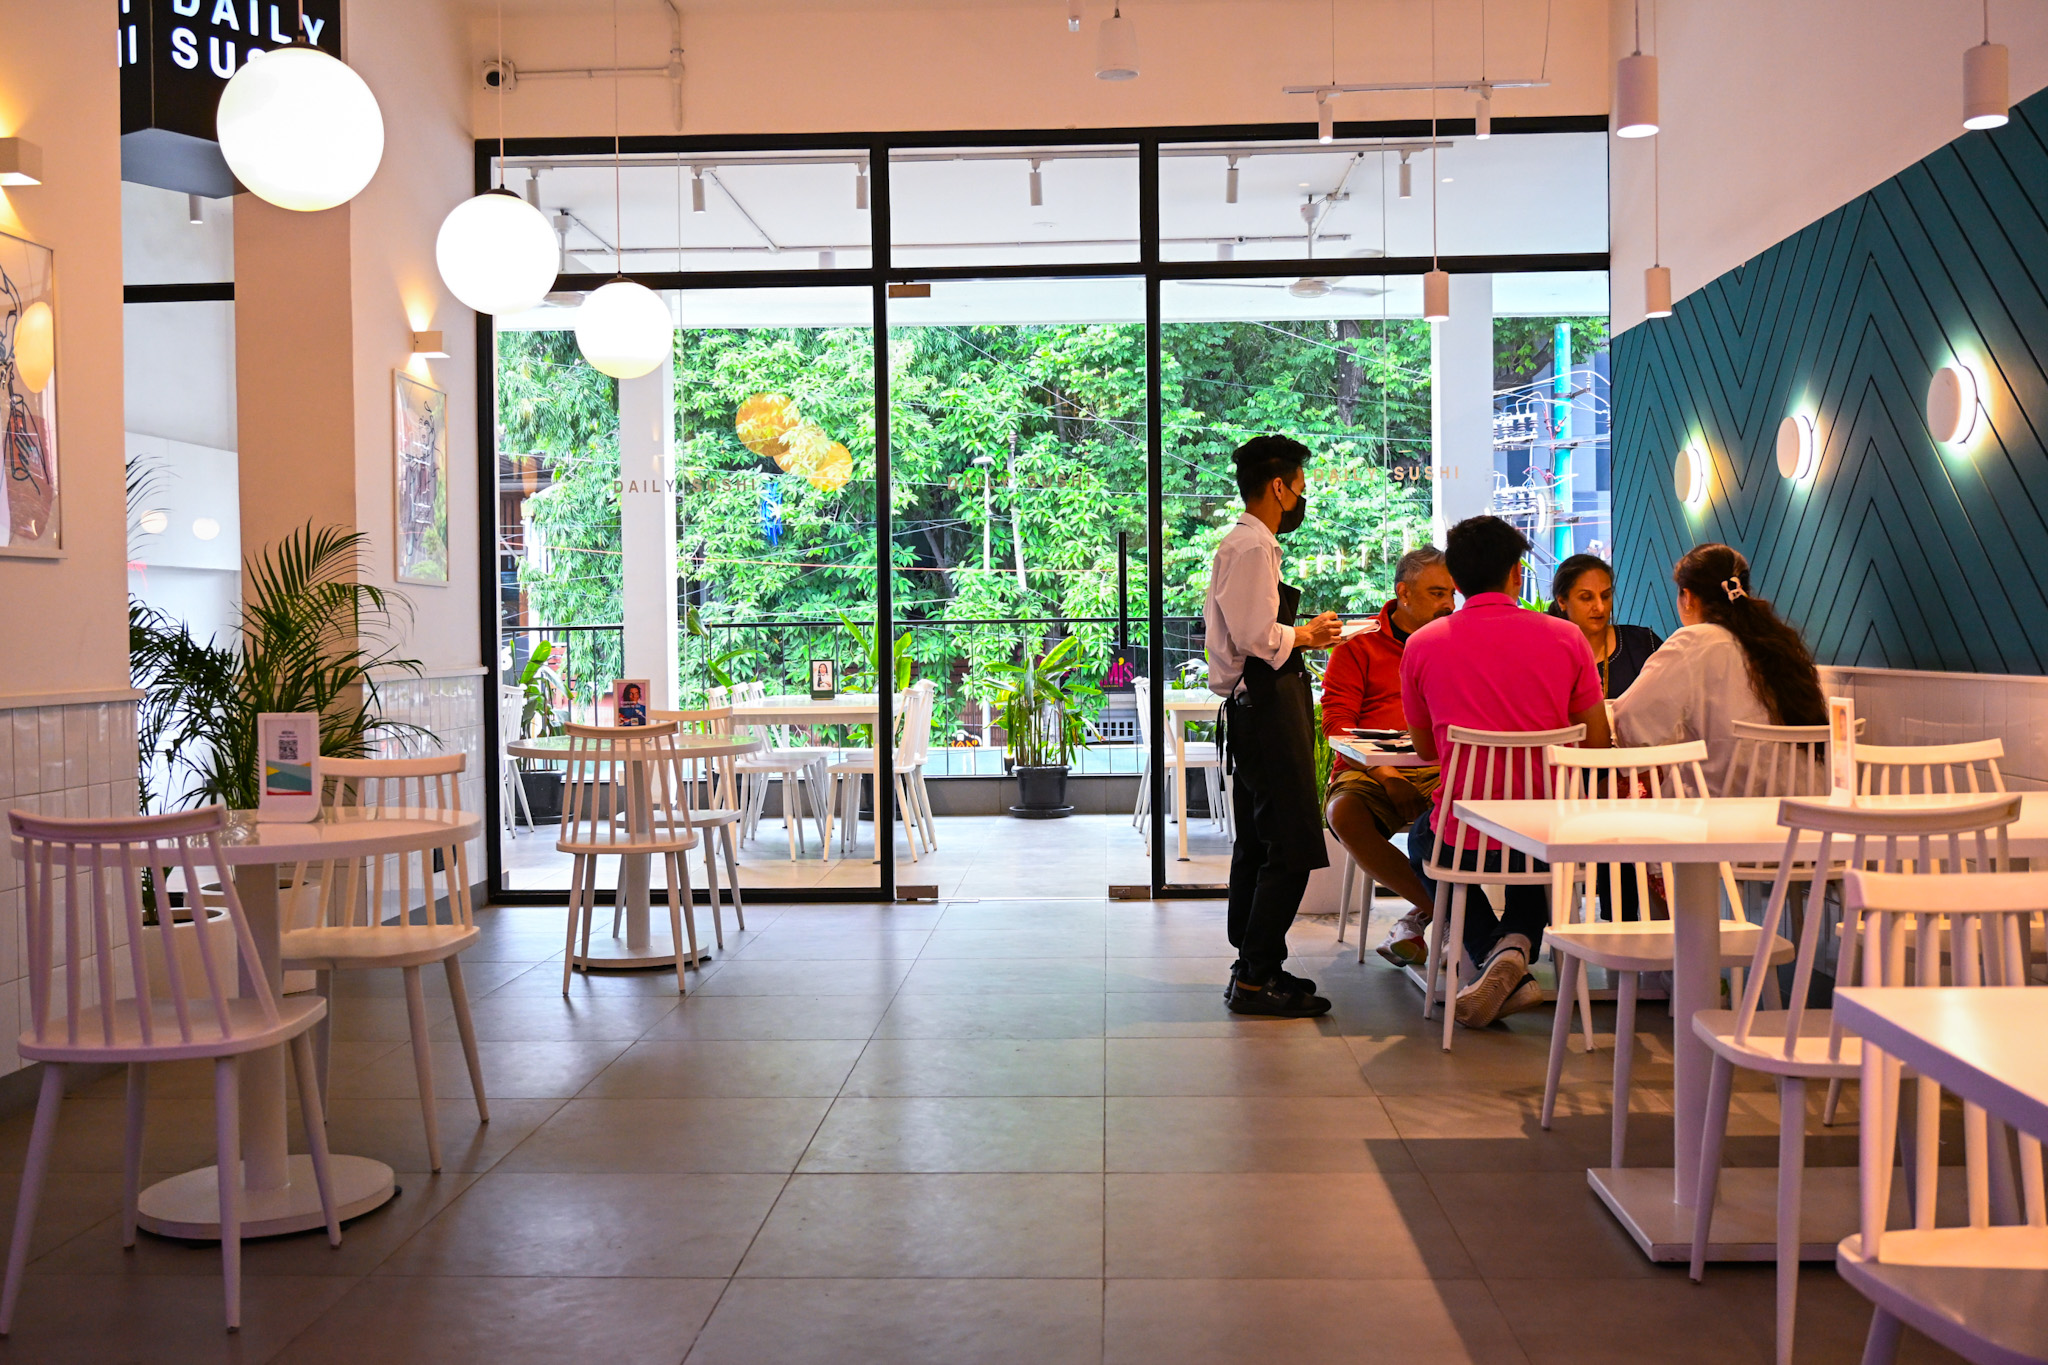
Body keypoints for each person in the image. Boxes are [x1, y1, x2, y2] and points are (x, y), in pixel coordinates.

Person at [1401, 515, 1611, 1028]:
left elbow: (1427, 748)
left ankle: (1496, 952)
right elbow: (1598, 743)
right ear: (1517, 574)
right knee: (1535, 850)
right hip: (1550, 833)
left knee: (1424, 840)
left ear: (1456, 577)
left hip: (1464, 838)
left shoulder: (1422, 645)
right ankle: (1513, 948)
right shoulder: (1567, 639)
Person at [1205, 435, 1344, 1018]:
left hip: (1259, 708)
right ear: (1280, 487)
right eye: (1302, 486)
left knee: (1262, 842)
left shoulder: (1249, 544)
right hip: (1263, 706)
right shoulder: (1252, 547)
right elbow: (1256, 638)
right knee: (1288, 842)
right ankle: (1258, 977)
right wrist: (1306, 635)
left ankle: (1255, 965)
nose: (1303, 498)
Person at [1321, 545, 1456, 967]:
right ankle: (1453, 916)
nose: (1449, 604)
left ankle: (1420, 920)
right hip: (1371, 769)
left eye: (1453, 593)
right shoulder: (1356, 650)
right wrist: (1387, 776)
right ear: (1404, 593)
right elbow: (1337, 725)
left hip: (1440, 767)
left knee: (1481, 806)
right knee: (1344, 813)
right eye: (1437, 593)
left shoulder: (1457, 645)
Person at [1613, 542, 1826, 793]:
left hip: (1724, 811)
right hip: (1804, 807)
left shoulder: (1693, 641)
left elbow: (1630, 717)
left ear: (1688, 597)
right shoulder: (1778, 641)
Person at [1548, 553, 1664, 697]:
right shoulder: (1546, 654)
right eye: (1586, 598)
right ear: (1562, 602)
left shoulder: (1643, 643)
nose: (1600, 607)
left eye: (1605, 596)